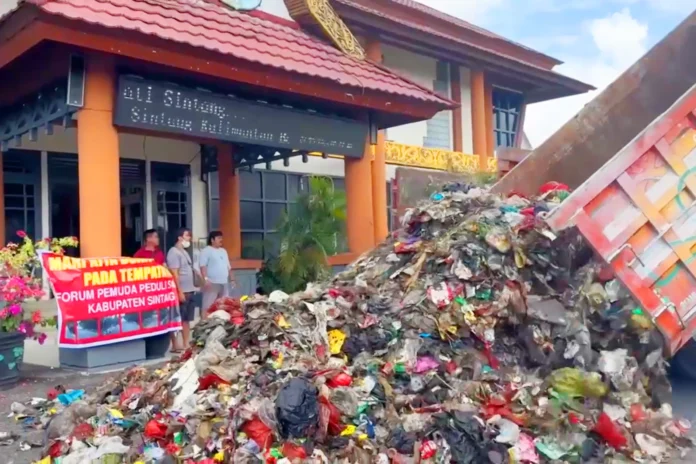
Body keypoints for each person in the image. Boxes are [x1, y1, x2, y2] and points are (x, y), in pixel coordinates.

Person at [166, 227, 196, 352]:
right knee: (177, 318)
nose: (189, 238)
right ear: (179, 238)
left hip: (190, 290)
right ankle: (175, 345)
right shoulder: (173, 252)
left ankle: (185, 344)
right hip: (181, 291)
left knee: (186, 319)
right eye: (187, 236)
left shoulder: (184, 252)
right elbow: (175, 274)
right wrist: (179, 291)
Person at [199, 230, 235, 315]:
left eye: (221, 238)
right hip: (212, 283)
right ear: (212, 240)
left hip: (224, 283)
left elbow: (228, 267)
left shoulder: (223, 251)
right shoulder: (206, 251)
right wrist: (206, 279)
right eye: (219, 238)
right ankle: (204, 325)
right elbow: (202, 266)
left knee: (223, 306)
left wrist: (232, 279)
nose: (221, 240)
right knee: (208, 306)